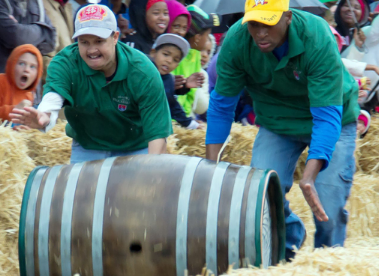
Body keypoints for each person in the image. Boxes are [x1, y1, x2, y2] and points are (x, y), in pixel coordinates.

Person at [206, 0, 360, 261]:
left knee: (328, 200)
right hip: (277, 122)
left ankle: (327, 261)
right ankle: (285, 248)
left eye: (268, 23)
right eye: (253, 24)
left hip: (331, 117)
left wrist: (309, 177)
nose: (260, 33)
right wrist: (209, 169)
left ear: (287, 17)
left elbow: (326, 117)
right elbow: (222, 107)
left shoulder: (316, 35)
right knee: (260, 197)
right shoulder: (236, 42)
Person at [10, 4, 172, 163]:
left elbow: (158, 135)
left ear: (115, 37)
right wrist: (44, 115)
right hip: (88, 147)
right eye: (84, 42)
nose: (91, 50)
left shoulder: (142, 71)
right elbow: (54, 96)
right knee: (83, 191)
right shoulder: (65, 63)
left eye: (99, 41)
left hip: (135, 147)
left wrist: (152, 173)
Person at [172, 5, 221, 117]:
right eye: (207, 34)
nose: (208, 38)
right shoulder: (176, 55)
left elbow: (190, 98)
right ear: (197, 37)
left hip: (185, 120)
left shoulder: (195, 55)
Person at [150, 33, 203, 129]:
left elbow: (173, 105)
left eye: (175, 60)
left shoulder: (169, 79)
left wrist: (190, 124)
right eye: (166, 54)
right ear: (153, 53)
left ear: (177, 65)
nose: (169, 61)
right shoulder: (142, 70)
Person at [0, 0, 56, 73]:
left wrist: (21, 30)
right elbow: (17, 37)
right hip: (5, 77)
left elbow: (51, 41)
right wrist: (43, 31)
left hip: (31, 81)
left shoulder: (38, 3)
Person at [0, 45, 42, 122]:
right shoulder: (1, 82)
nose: (26, 70)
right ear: (12, 64)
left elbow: (18, 124)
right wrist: (14, 110)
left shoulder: (29, 95)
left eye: (32, 67)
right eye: (21, 64)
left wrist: (26, 128)